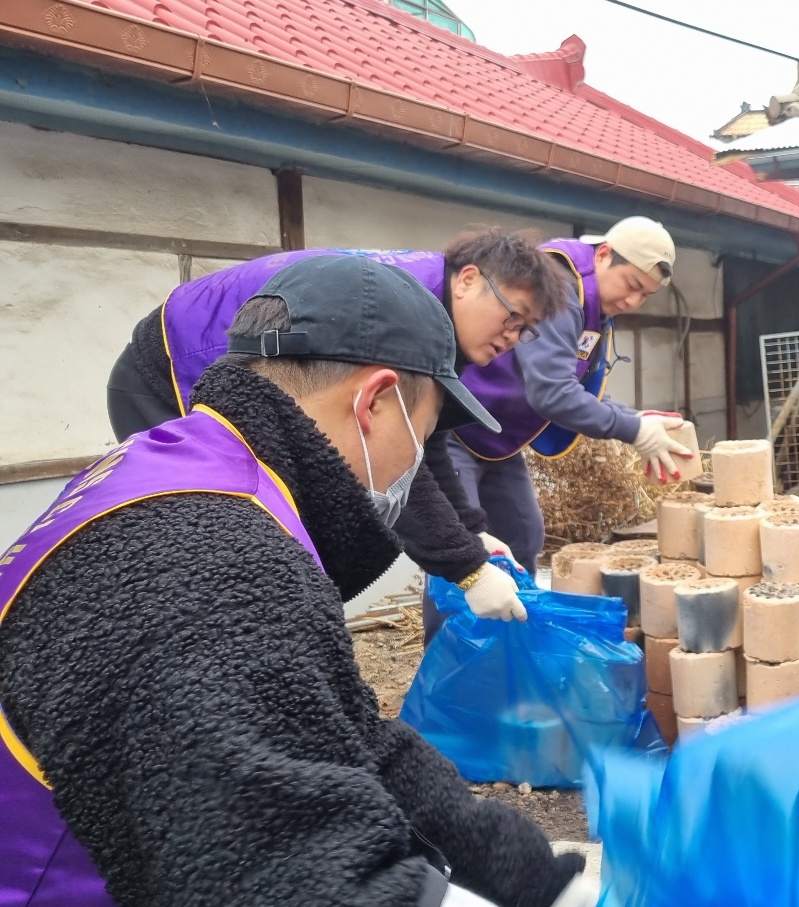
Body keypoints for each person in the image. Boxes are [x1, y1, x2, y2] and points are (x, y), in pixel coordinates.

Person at [0, 255, 595, 907]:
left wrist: (531, 879)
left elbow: (344, 732)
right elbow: (284, 873)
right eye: (422, 437)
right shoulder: (219, 566)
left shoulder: (196, 468)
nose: (414, 467)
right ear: (372, 402)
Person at [105, 227, 573, 625]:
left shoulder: (435, 315)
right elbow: (384, 450)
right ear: (469, 279)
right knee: (231, 548)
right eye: (512, 315)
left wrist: (470, 533)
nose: (513, 337)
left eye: (526, 330)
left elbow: (419, 441)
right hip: (167, 372)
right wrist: (468, 567)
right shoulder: (392, 312)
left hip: (253, 375)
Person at [430, 217, 694, 639]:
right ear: (603, 254)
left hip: (500, 439)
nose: (633, 300)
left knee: (522, 533)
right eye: (631, 284)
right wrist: (632, 431)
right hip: (458, 430)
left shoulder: (595, 306)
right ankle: (449, 654)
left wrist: (636, 418)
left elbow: (578, 389)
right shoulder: (561, 288)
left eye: (645, 294)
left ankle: (510, 645)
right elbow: (552, 393)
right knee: (461, 547)